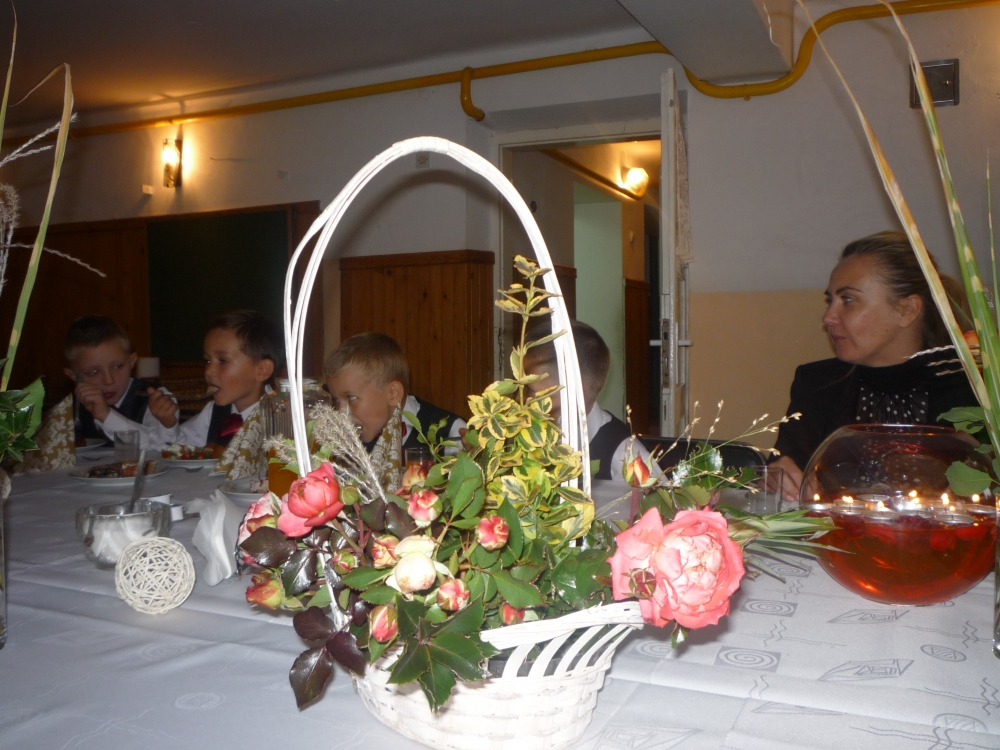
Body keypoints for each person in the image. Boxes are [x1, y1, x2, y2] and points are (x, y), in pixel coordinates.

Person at [771, 230, 977, 501]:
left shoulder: (973, 389)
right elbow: (787, 468)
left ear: (907, 310)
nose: (828, 317)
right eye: (830, 300)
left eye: (847, 300)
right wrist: (776, 476)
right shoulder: (816, 384)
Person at [324, 332, 466, 489]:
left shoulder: (451, 432)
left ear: (393, 393)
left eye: (350, 398)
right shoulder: (343, 443)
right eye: (336, 400)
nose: (340, 412)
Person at [523, 319, 651, 482]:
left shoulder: (625, 458)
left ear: (574, 393)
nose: (522, 399)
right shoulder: (534, 438)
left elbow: (657, 497)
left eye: (530, 390)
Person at [64, 316, 178, 449]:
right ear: (73, 376)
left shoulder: (157, 399)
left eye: (118, 366)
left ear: (132, 362)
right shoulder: (69, 409)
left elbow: (159, 447)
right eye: (93, 372)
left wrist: (105, 415)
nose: (109, 381)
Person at [177, 310, 283, 449]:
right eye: (208, 361)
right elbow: (182, 446)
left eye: (223, 361)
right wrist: (168, 425)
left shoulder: (281, 418)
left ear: (262, 370)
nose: (208, 371)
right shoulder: (213, 413)